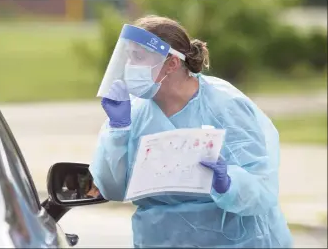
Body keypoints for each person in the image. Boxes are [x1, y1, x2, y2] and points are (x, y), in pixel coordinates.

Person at [89, 15, 293, 248]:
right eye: (128, 57)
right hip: (161, 240)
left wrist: (229, 183)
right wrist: (118, 129)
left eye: (138, 57)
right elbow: (112, 189)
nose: (129, 67)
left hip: (236, 240)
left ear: (172, 63)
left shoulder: (224, 105)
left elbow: (262, 187)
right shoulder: (132, 113)